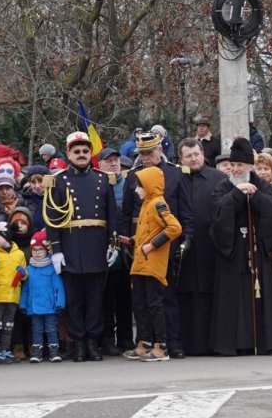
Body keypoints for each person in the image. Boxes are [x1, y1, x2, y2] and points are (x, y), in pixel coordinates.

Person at [44, 131, 118, 362]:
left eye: (85, 151)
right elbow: (52, 218)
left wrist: (112, 244)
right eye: (77, 151)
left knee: (95, 298)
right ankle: (78, 343)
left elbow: (111, 215)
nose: (82, 154)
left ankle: (93, 342)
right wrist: (55, 250)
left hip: (96, 243)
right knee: (74, 299)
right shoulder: (58, 180)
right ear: (68, 154)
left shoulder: (102, 178)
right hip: (71, 244)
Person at [122, 129, 194, 358]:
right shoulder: (134, 175)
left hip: (164, 245)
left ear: (160, 149)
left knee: (165, 297)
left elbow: (184, 215)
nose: (145, 157)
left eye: (149, 152)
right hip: (139, 243)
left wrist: (186, 240)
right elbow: (127, 213)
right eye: (142, 153)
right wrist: (127, 240)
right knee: (141, 300)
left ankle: (170, 342)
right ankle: (145, 341)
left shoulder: (175, 174)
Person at [210, 138, 272, 354]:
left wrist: (255, 196)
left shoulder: (262, 184)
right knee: (232, 298)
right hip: (232, 251)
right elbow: (216, 212)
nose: (235, 169)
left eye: (240, 165)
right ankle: (232, 344)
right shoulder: (224, 185)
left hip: (256, 249)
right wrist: (236, 194)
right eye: (233, 165)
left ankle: (263, 341)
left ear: (250, 166)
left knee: (260, 295)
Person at [126, 167, 183, 362]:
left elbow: (175, 228)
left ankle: (161, 346)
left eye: (139, 185)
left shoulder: (158, 203)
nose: (136, 190)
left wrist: (152, 245)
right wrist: (134, 240)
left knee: (155, 304)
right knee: (140, 304)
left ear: (149, 186)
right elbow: (148, 231)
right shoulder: (146, 204)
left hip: (153, 264)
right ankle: (145, 341)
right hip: (141, 263)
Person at [176, 138, 227, 356]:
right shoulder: (177, 179)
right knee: (187, 296)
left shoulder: (219, 178)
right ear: (181, 159)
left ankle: (213, 344)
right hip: (184, 248)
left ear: (203, 153)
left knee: (211, 295)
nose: (194, 159)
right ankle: (189, 344)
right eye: (188, 156)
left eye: (196, 154)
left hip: (212, 247)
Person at [96, 147, 132, 357]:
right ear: (99, 164)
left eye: (116, 160)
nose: (113, 163)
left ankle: (126, 338)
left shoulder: (128, 184)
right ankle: (107, 338)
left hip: (126, 248)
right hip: (103, 248)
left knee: (125, 297)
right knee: (106, 297)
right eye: (108, 161)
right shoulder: (97, 184)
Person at [0, 222, 26, 363]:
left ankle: (5, 349)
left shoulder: (19, 254)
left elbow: (25, 274)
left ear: (7, 236)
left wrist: (23, 273)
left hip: (12, 297)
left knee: (8, 326)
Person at [21, 230, 64, 362]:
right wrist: (22, 304)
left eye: (40, 249)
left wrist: (60, 303)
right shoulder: (29, 269)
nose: (37, 252)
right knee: (36, 330)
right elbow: (25, 289)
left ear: (47, 251)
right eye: (34, 250)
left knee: (51, 328)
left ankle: (53, 351)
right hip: (34, 307)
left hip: (50, 306)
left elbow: (59, 287)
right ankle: (37, 353)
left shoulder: (52, 268)